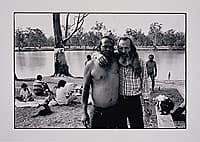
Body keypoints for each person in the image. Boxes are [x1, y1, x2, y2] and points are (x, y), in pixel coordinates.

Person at [81, 36, 119, 128]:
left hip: (115, 110)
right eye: (105, 46)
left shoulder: (118, 61)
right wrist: (84, 112)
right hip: (97, 111)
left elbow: (130, 53)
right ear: (99, 48)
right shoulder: (91, 65)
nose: (108, 49)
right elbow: (85, 90)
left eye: (110, 47)